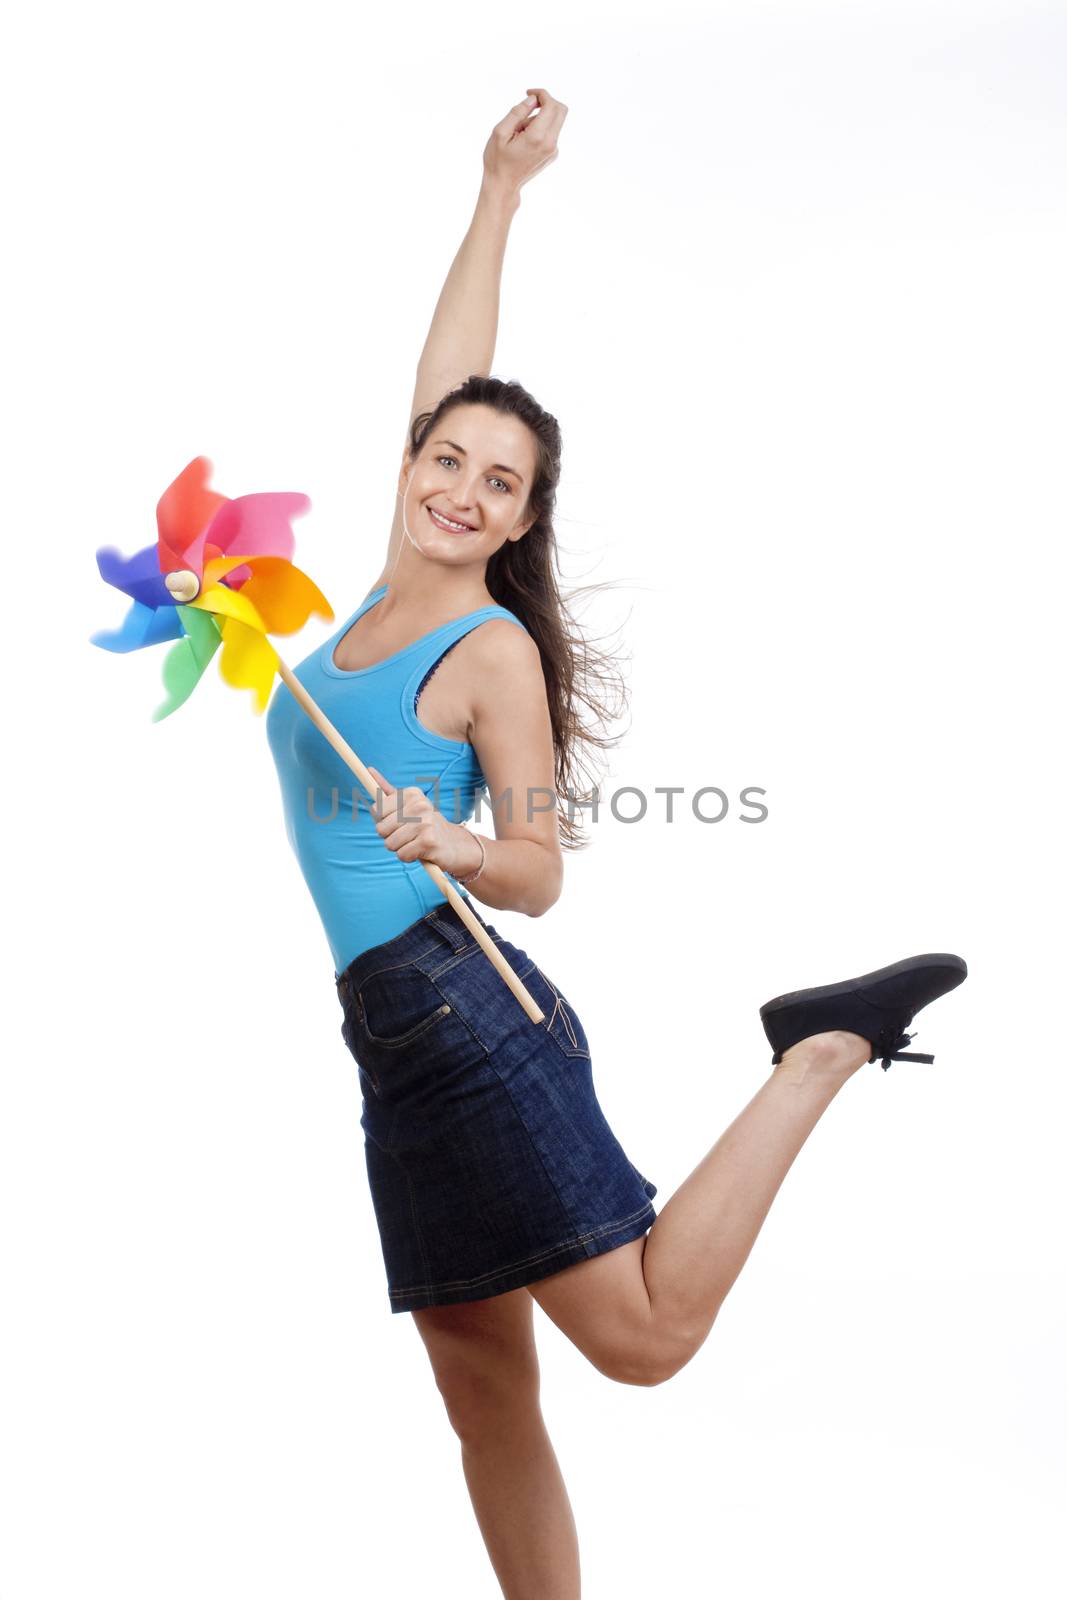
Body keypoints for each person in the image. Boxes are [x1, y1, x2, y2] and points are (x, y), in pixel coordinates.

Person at [265, 87, 968, 1600]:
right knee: (483, 1392)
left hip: (460, 1010)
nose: (461, 488)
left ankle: (820, 1052)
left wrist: (451, 838)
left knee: (641, 1340)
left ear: (520, 522)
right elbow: (446, 372)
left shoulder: (486, 647)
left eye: (497, 484)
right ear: (411, 465)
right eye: (446, 460)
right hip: (386, 1033)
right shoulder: (368, 598)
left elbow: (540, 874)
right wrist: (499, 189)